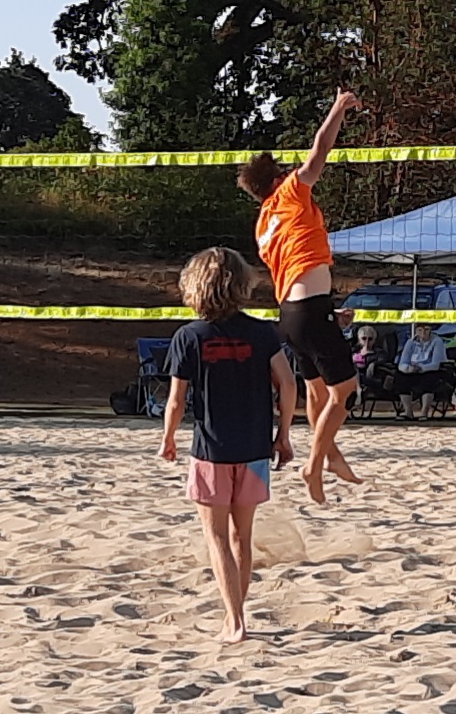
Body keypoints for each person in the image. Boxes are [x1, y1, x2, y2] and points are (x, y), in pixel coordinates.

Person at [157, 247, 297, 644]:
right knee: (242, 537)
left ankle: (234, 619)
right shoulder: (262, 332)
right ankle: (237, 614)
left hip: (211, 450)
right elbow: (287, 384)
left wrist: (168, 438)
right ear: (243, 284)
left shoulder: (188, 336)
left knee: (216, 536)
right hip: (254, 447)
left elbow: (176, 400)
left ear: (195, 286)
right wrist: (283, 434)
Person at [237, 88, 362, 504]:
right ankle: (315, 464)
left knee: (317, 393)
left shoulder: (262, 224)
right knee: (346, 392)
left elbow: (296, 271)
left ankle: (331, 458)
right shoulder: (290, 193)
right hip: (307, 311)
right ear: (276, 181)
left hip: (291, 314)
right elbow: (319, 150)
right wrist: (338, 108)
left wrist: (328, 310)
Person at [395, 323, 448, 419]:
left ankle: (424, 412)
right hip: (412, 370)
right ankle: (408, 412)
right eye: (420, 330)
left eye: (426, 330)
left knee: (429, 379)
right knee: (400, 378)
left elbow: (436, 364)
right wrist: (408, 369)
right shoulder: (410, 342)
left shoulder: (437, 341)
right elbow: (402, 362)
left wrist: (421, 368)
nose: (423, 333)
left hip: (429, 369)